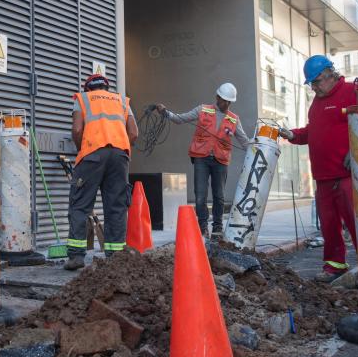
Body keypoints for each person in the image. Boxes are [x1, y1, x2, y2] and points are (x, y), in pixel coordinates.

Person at [278, 55, 358, 282]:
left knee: (356, 223)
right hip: (323, 177)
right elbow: (313, 132)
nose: (314, 87)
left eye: (317, 81)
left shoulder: (351, 91)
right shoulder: (317, 103)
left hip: (346, 175)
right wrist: (292, 135)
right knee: (329, 226)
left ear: (331, 74)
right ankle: (335, 266)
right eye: (312, 83)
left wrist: (356, 150)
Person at [64, 73, 138, 270]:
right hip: (119, 157)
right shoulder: (121, 101)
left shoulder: (83, 99)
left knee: (80, 205)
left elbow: (77, 131)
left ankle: (77, 256)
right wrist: (118, 149)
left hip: (92, 155)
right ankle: (115, 256)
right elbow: (133, 133)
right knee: (116, 206)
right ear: (106, 88)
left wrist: (83, 150)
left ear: (89, 88)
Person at [156, 83, 251, 237]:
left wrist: (258, 149)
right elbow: (180, 119)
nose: (224, 103)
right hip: (202, 158)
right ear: (217, 97)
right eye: (222, 99)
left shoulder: (234, 120)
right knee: (200, 195)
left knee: (219, 196)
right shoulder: (203, 109)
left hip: (220, 161)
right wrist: (166, 113)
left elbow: (245, 142)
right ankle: (202, 226)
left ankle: (218, 227)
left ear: (231, 102)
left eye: (228, 101)